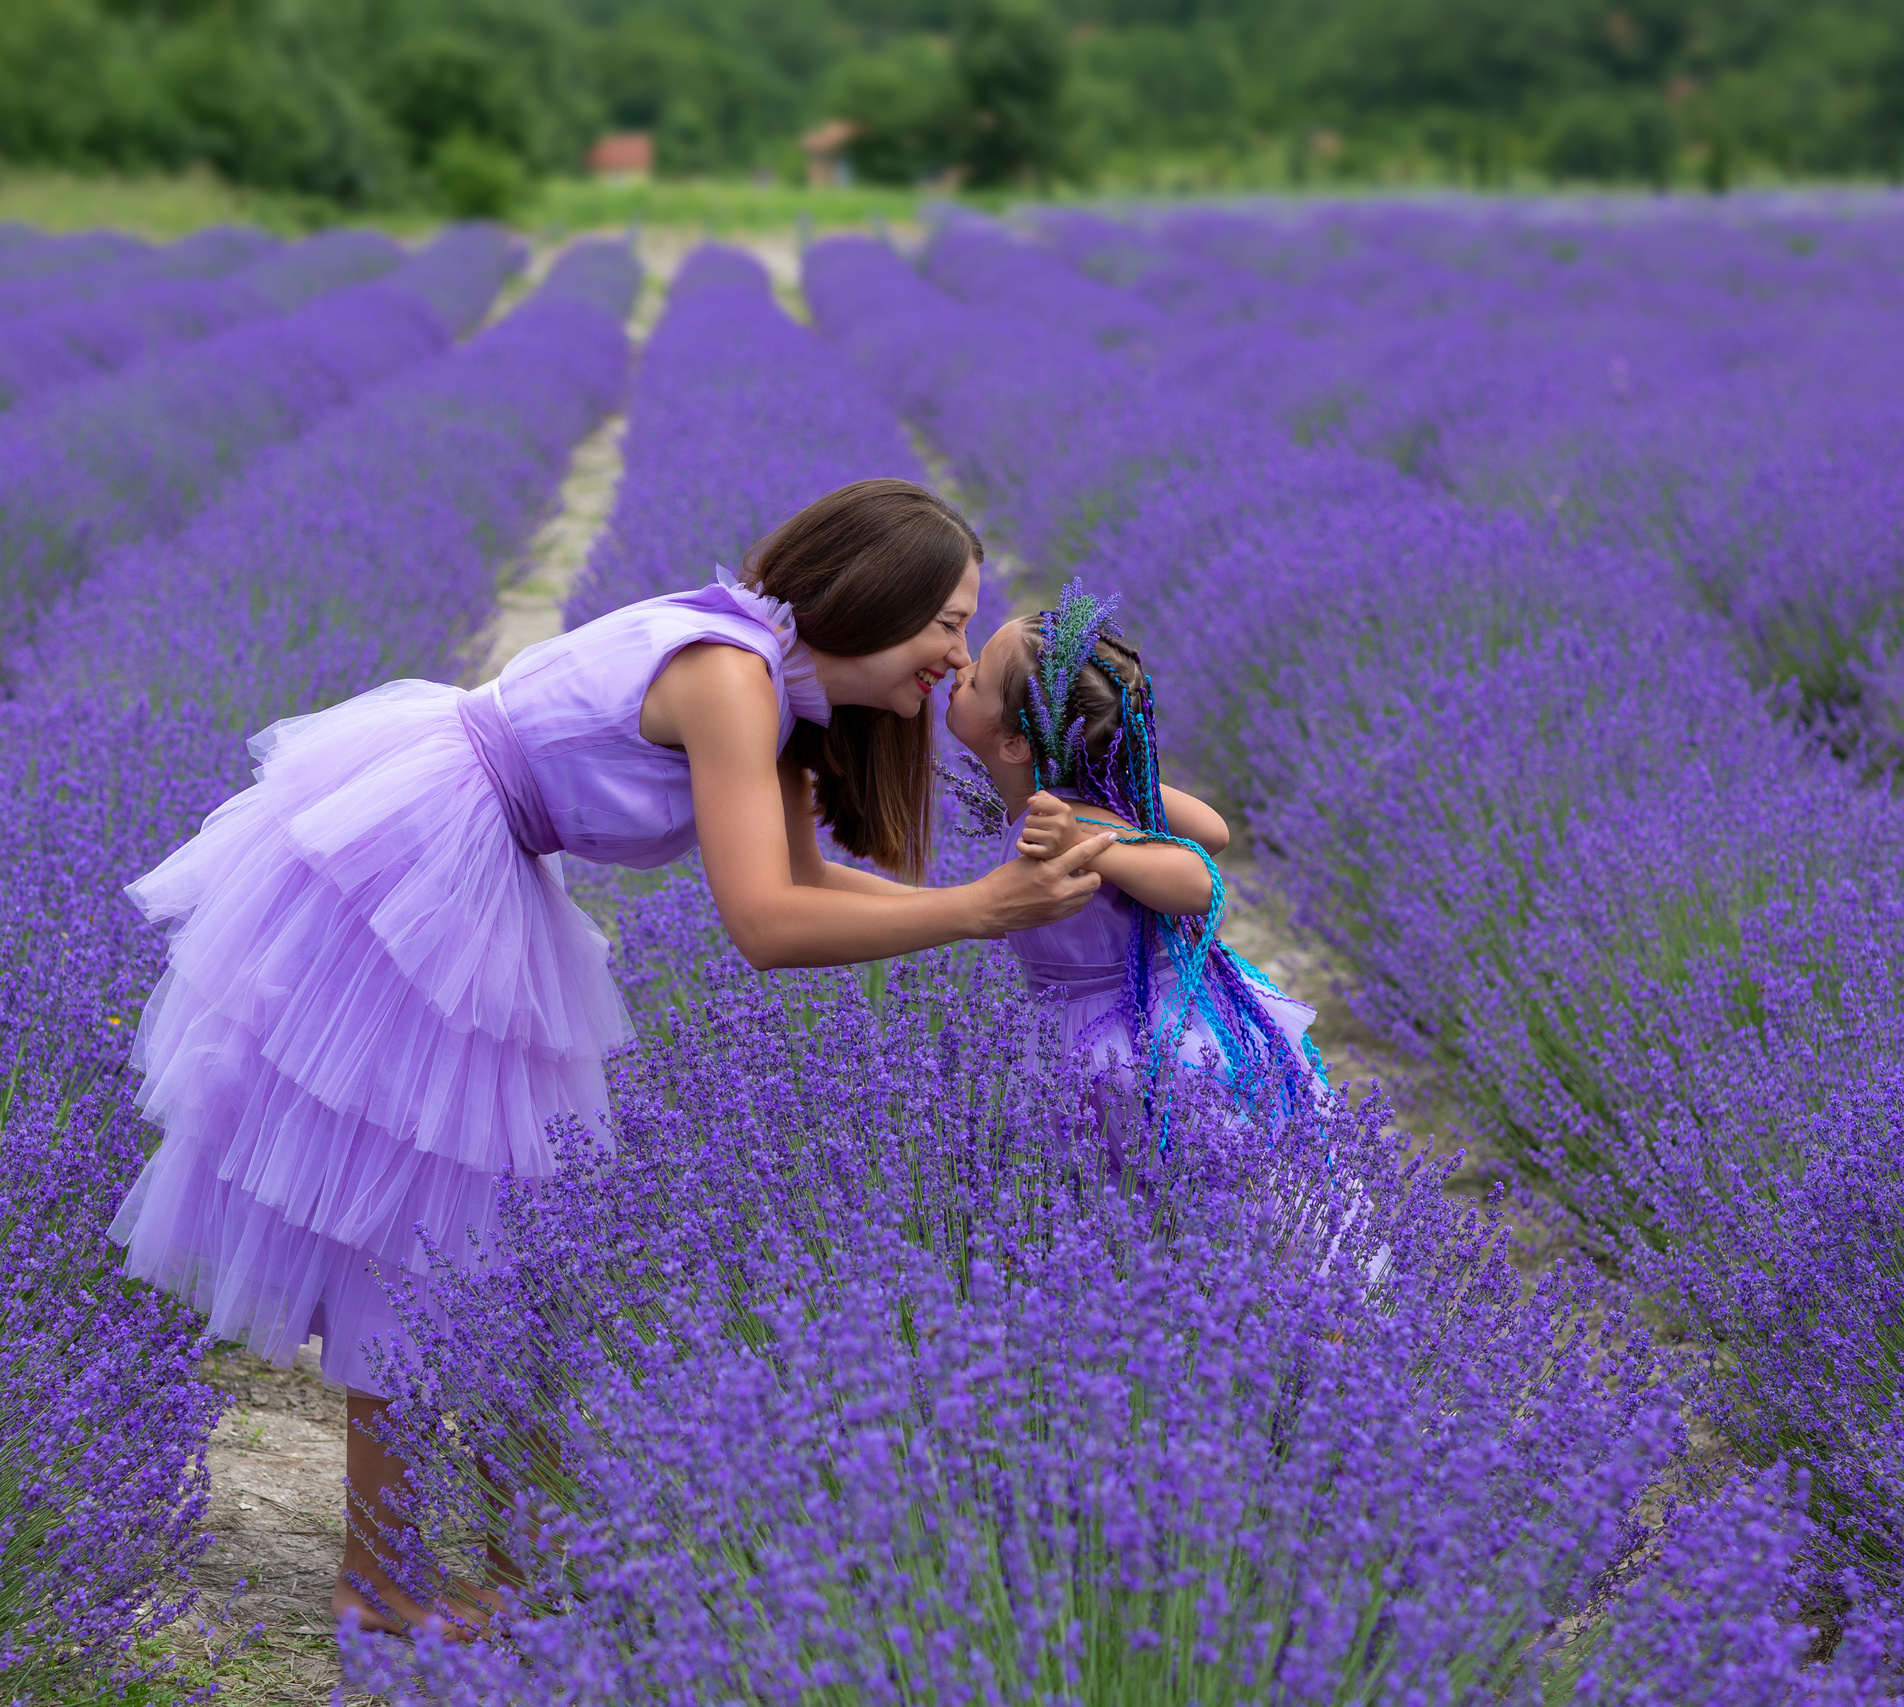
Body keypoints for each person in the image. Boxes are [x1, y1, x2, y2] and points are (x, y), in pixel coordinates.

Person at [108, 478, 1117, 1635]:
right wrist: (981, 912)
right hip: (424, 872)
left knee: (503, 1236)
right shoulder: (730, 676)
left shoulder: (776, 687)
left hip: (477, 867)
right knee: (426, 1232)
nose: (954, 656)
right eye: (948, 622)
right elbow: (765, 927)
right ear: (870, 594)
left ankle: (505, 1573)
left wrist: (981, 899)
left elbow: (808, 882)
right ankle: (385, 1586)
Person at [942, 581, 1327, 1143]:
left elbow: (1200, 879)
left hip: (1136, 1041)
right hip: (1083, 1029)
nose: (959, 672)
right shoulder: (1076, 803)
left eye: (974, 679)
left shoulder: (1077, 819)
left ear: (1014, 746)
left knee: (1179, 1199)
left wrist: (1101, 846)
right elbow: (1213, 830)